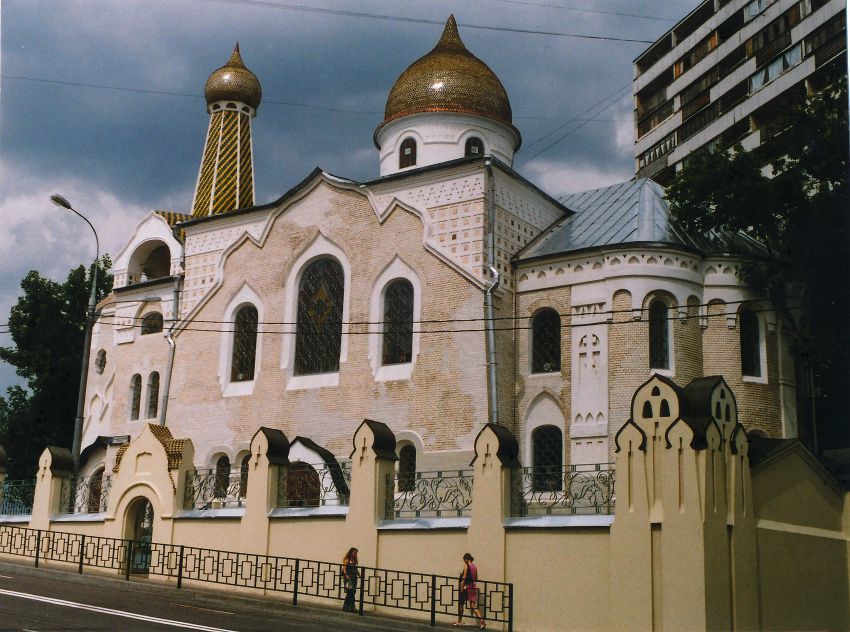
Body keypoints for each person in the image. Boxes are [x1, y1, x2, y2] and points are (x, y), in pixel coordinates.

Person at [454, 552, 485, 629]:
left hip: (466, 588)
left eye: (464, 559)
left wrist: (461, 587)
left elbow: (464, 578)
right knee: (473, 606)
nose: (464, 561)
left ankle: (459, 621)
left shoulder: (466, 565)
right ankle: (482, 621)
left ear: (466, 559)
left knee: (461, 604)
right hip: (473, 587)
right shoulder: (475, 567)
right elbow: (476, 578)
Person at [341, 547, 360, 612]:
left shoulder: (354, 561)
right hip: (349, 578)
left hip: (354, 578)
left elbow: (356, 569)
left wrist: (360, 575)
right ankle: (350, 607)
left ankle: (348, 607)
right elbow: (344, 568)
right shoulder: (347, 560)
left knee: (352, 592)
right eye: (355, 553)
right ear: (351, 553)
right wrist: (346, 575)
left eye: (356, 553)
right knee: (350, 592)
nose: (356, 554)